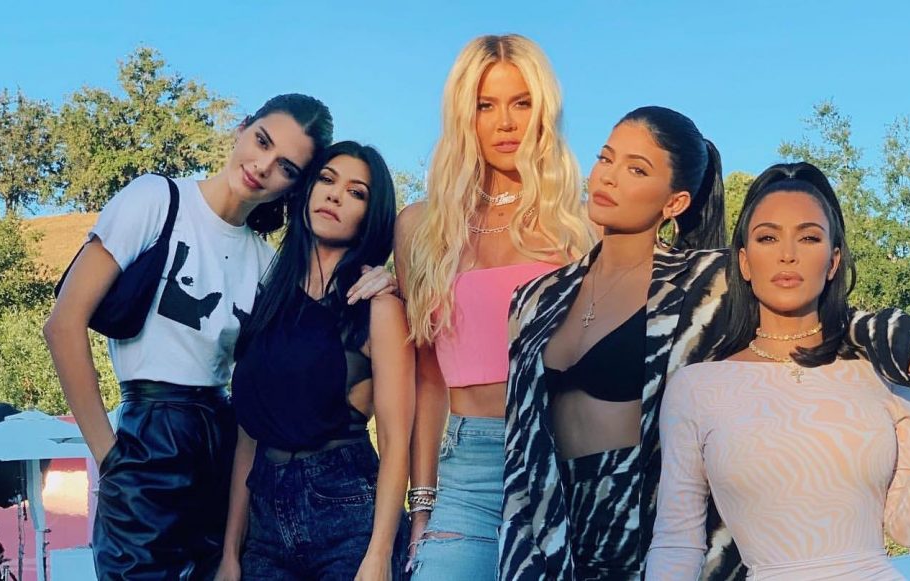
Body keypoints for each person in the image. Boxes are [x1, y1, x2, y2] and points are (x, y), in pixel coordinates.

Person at [501, 108, 910, 580]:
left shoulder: (705, 281)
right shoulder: (538, 300)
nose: (608, 176)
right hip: (557, 532)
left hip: (642, 523)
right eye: (606, 158)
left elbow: (843, 319)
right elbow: (521, 448)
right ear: (747, 259)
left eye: (636, 168)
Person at [45, 94, 393, 579]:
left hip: (224, 444)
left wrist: (388, 281)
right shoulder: (157, 200)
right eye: (262, 141)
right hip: (149, 433)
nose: (263, 166)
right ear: (241, 128)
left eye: (286, 167)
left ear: (295, 186)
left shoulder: (269, 266)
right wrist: (111, 460)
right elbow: (62, 324)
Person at [646, 162, 910, 579]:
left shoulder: (879, 372)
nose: (788, 254)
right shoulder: (696, 388)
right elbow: (677, 543)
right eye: (768, 237)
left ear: (833, 261)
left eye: (809, 237)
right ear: (744, 262)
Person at [394, 34, 593, 579]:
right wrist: (423, 503)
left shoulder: (580, 227)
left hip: (559, 462)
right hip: (466, 470)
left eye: (521, 103)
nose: (506, 122)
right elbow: (428, 376)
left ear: (543, 111)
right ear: (465, 115)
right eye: (486, 105)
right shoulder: (421, 228)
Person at [216, 141, 412, 580]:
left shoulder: (377, 305)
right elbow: (249, 433)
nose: (335, 195)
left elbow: (396, 439)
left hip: (348, 514)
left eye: (356, 192)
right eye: (326, 179)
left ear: (371, 215)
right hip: (264, 524)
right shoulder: (268, 298)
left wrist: (379, 554)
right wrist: (230, 551)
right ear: (306, 190)